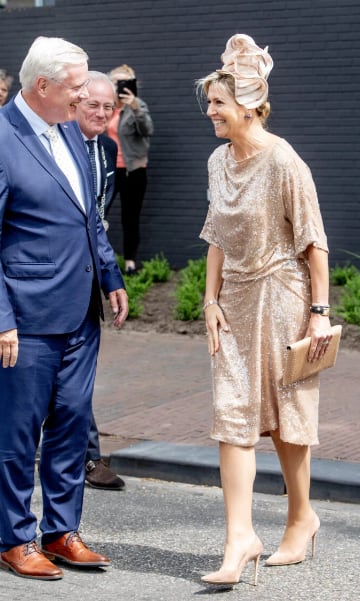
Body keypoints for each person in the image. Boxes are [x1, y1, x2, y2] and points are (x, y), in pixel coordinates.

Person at [197, 34, 332, 586]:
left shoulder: (284, 160)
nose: (210, 112)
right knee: (233, 415)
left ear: (248, 106)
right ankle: (239, 539)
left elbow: (314, 242)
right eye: (208, 102)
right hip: (234, 302)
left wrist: (319, 313)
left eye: (217, 104)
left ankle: (302, 517)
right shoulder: (217, 160)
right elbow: (216, 234)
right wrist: (210, 297)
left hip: (284, 297)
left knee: (285, 420)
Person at [0, 36, 128, 581]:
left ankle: (60, 530)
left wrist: (110, 274)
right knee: (16, 432)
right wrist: (1, 318)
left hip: (80, 314)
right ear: (42, 86)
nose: (85, 99)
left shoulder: (72, 133)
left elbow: (88, 217)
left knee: (72, 425)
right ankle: (12, 536)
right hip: (25, 318)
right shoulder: (3, 137)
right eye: (77, 89)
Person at [76, 70, 125, 490]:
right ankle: (88, 456)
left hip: (89, 270)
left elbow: (97, 217)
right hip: (46, 276)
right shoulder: (54, 145)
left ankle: (88, 458)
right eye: (93, 104)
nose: (102, 113)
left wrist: (111, 275)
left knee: (74, 373)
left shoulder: (108, 147)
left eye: (109, 107)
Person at [107, 64, 154, 275]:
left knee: (130, 218)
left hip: (133, 170)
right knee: (98, 215)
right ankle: (95, 259)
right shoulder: (104, 106)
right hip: (107, 170)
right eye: (116, 82)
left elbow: (147, 130)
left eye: (125, 82)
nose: (120, 85)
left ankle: (130, 262)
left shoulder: (138, 106)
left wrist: (134, 106)